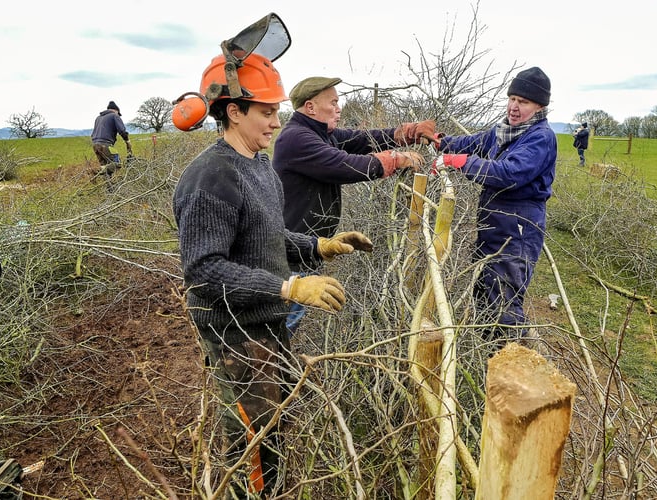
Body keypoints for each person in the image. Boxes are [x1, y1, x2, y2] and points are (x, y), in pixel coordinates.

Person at [172, 53, 372, 496]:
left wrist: (318, 246)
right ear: (234, 111)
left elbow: (268, 232)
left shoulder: (259, 164)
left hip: (268, 324)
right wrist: (289, 286)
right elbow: (204, 272)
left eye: (278, 110)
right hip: (235, 335)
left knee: (274, 432)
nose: (276, 122)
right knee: (252, 449)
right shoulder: (211, 178)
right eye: (267, 112)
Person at [272, 76, 429, 333]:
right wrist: (394, 160)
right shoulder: (297, 138)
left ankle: (273, 362)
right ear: (311, 107)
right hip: (291, 250)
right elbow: (346, 165)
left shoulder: (319, 133)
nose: (338, 108)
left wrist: (405, 134)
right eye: (332, 102)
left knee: (288, 319)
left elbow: (361, 139)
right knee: (281, 322)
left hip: (306, 247)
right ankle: (266, 368)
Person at [433, 66, 557, 345]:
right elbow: (472, 143)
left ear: (539, 106)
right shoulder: (504, 131)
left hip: (518, 231)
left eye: (522, 102)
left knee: (504, 306)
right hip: (494, 225)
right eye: (512, 98)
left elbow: (507, 173)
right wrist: (441, 143)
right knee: (485, 293)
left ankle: (519, 368)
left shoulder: (540, 138)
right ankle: (490, 356)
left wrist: (460, 163)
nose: (514, 106)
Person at [91, 101, 132, 184]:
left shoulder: (98, 118)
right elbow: (122, 130)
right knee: (117, 163)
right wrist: (127, 140)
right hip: (106, 145)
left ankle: (110, 189)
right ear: (116, 110)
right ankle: (96, 171)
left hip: (95, 145)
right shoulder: (114, 115)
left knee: (106, 168)